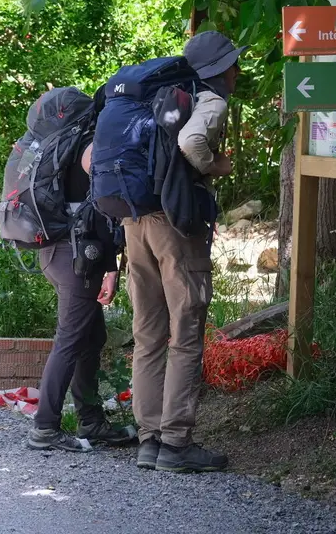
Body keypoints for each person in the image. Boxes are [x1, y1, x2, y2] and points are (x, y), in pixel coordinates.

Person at [126, 30, 245, 473]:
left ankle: (149, 439)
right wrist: (216, 164)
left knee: (148, 332)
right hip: (174, 225)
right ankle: (175, 444)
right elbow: (191, 143)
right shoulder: (209, 98)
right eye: (232, 63)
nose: (237, 71)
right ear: (219, 68)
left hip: (134, 221)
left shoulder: (153, 95)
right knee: (187, 326)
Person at [27, 87, 134, 452]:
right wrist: (111, 266)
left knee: (91, 337)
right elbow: (102, 208)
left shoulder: (59, 146)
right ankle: (45, 427)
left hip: (55, 253)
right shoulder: (89, 148)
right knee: (71, 340)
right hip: (77, 258)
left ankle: (91, 421)